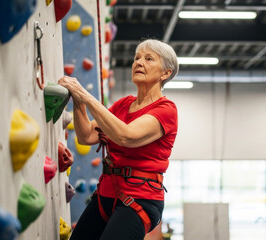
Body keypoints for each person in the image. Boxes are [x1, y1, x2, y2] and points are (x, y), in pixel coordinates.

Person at [58, 39, 179, 240]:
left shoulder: (166, 110)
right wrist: (78, 102)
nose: (139, 63)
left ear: (165, 73)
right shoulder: (123, 105)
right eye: (137, 58)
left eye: (149, 59)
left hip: (140, 198)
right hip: (106, 193)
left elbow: (125, 136)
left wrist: (85, 95)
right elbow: (86, 135)